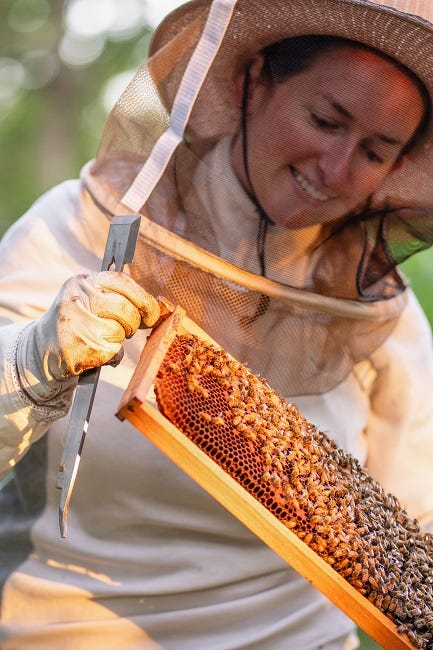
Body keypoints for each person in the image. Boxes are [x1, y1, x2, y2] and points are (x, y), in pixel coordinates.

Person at [1, 0, 433, 648]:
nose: (336, 170)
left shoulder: (378, 311)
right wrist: (35, 359)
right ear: (250, 81)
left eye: (374, 151)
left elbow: (418, 513)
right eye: (323, 119)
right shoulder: (72, 228)